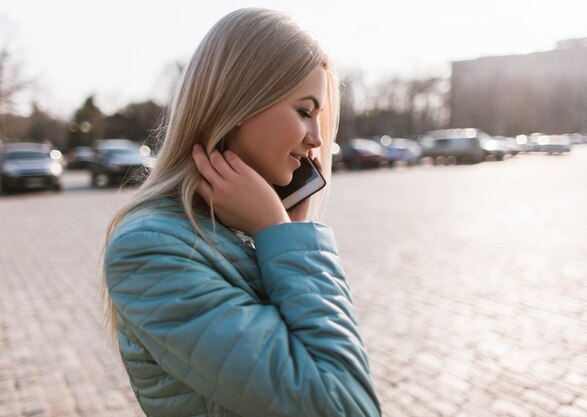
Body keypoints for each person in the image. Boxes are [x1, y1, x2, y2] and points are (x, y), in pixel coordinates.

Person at [103, 8, 381, 417]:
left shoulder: (242, 227)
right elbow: (343, 405)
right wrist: (282, 234)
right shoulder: (148, 248)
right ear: (241, 102)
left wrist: (286, 228)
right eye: (305, 111)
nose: (316, 139)